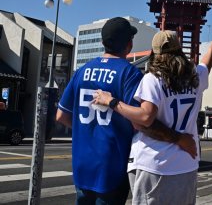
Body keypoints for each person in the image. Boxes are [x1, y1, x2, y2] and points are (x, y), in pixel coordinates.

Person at [93, 11, 212, 205]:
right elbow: (210, 54)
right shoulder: (195, 75)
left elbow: (145, 118)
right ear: (179, 49)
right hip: (186, 163)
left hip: (154, 163)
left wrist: (112, 102)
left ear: (156, 51)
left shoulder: (153, 78)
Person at [56, 17, 196, 205]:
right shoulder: (130, 74)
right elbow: (141, 122)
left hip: (82, 163)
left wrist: (88, 131)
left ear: (102, 42)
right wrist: (179, 139)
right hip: (112, 165)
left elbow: (61, 115)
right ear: (129, 44)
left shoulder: (82, 71)